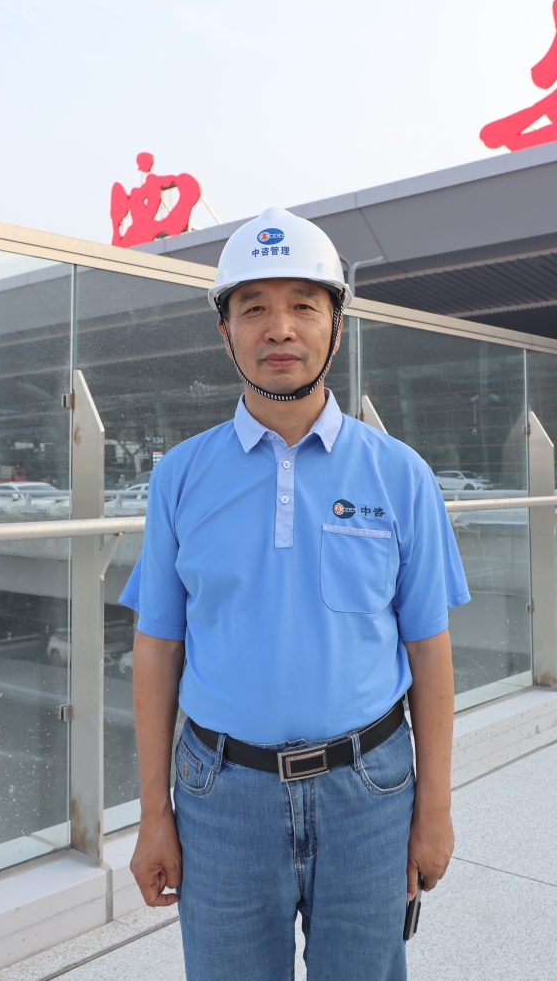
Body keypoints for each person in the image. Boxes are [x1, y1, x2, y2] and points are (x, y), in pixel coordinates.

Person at [125, 206, 470, 981]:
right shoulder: (180, 476)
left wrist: (435, 809)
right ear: (225, 333)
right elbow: (157, 648)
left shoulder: (400, 474)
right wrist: (154, 815)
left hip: (369, 790)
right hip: (221, 795)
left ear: (336, 328)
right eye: (253, 308)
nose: (279, 328)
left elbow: (429, 649)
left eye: (303, 306)